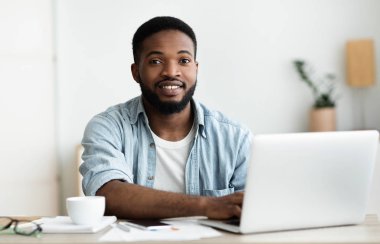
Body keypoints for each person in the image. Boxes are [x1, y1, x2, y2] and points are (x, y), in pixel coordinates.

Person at [80, 16, 252, 220]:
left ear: (196, 69)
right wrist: (207, 205)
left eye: (184, 61)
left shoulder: (235, 138)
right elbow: (109, 195)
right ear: (136, 72)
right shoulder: (108, 127)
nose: (171, 72)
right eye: (155, 61)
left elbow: (257, 208)